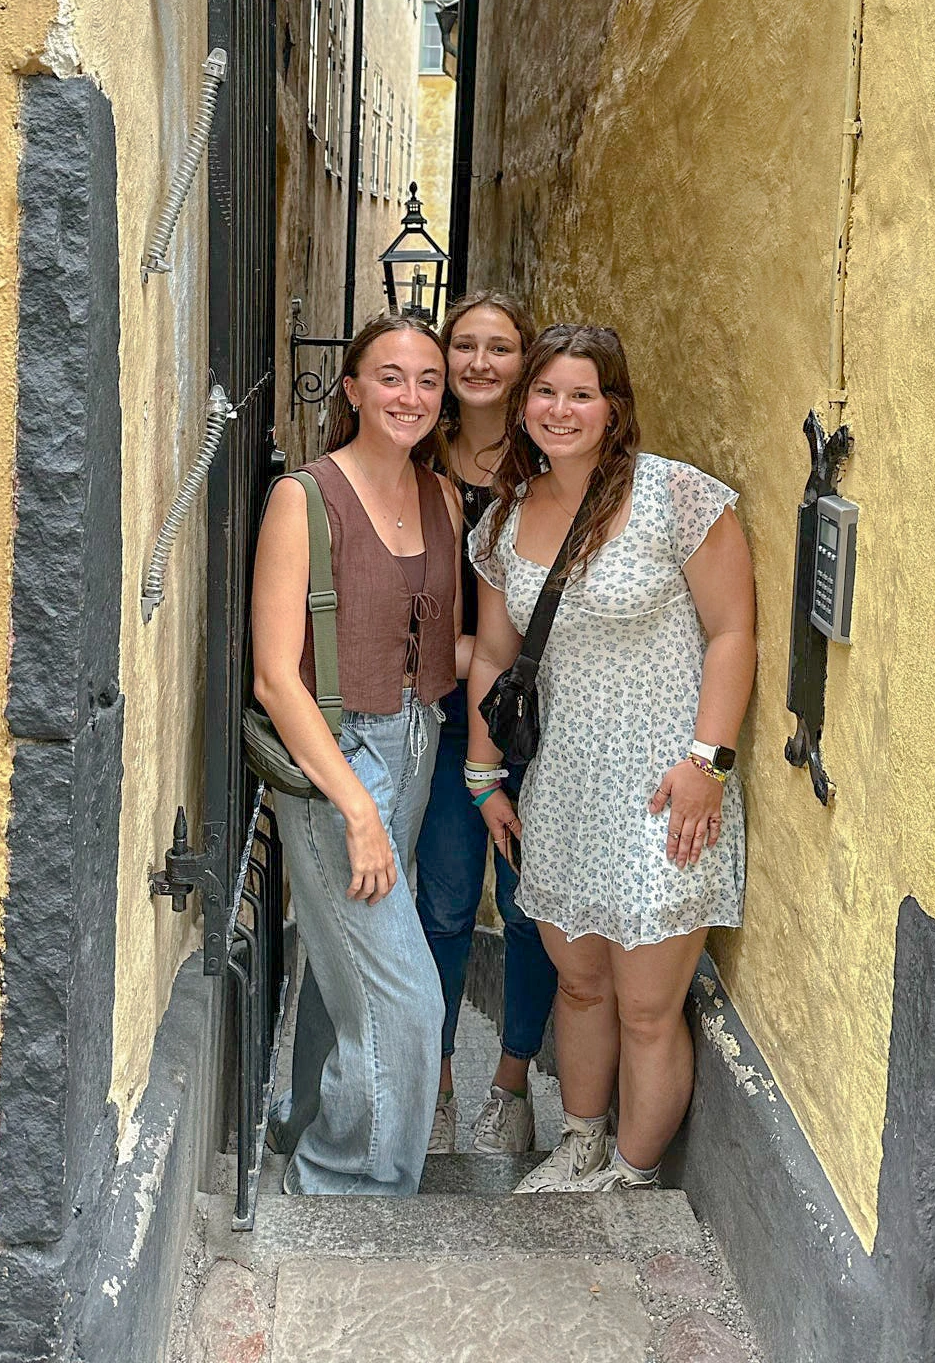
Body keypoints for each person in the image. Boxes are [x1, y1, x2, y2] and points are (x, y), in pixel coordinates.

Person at [466, 323, 755, 1193]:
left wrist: (708, 764)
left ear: (614, 408)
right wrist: (484, 778)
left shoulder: (679, 497)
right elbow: (491, 657)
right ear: (524, 408)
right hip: (565, 789)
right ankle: (580, 1144)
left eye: (581, 394)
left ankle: (631, 1177)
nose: (561, 410)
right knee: (581, 985)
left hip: (667, 790)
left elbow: (733, 634)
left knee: (646, 1005)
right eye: (546, 393)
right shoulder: (509, 517)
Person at [251, 314, 463, 1196]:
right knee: (407, 1004)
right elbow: (273, 675)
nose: (409, 395)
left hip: (418, 742)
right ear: (351, 389)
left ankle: (298, 1127)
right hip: (336, 763)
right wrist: (359, 807)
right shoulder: (304, 498)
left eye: (426, 379)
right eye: (389, 377)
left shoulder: (445, 498)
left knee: (350, 964)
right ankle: (352, 1191)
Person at [414, 292, 559, 1155]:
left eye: (498, 347)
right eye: (463, 345)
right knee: (443, 901)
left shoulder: (552, 463)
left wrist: (486, 659)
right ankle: (433, 1084)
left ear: (525, 359)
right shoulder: (417, 457)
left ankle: (512, 1084)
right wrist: (465, 657)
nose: (478, 363)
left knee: (531, 904)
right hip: (436, 716)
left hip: (539, 725)